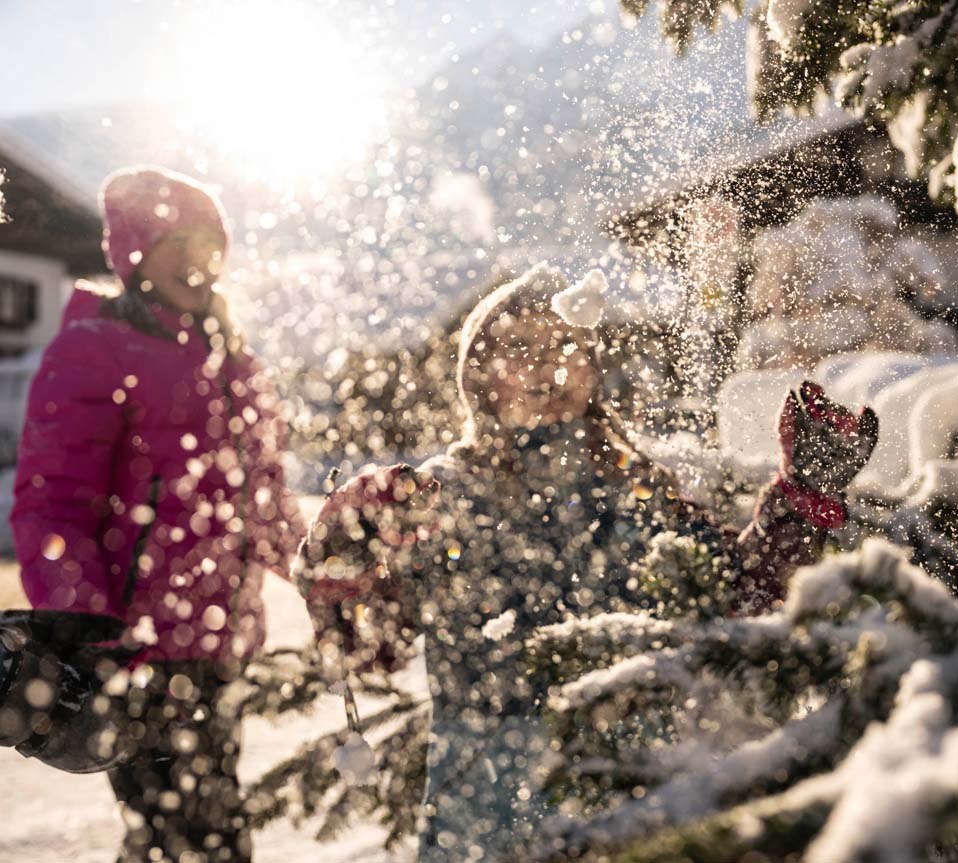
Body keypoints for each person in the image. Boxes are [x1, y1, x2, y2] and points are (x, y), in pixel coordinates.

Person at [296, 264, 878, 862]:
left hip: (634, 792)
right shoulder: (442, 496)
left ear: (593, 368)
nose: (549, 366)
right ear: (479, 378)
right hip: (490, 811)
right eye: (520, 347)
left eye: (567, 345)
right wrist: (350, 537)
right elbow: (368, 644)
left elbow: (733, 597)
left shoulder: (634, 490)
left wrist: (800, 501)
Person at [8, 166, 302, 863]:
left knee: (180, 829)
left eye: (210, 244)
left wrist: (323, 560)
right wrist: (88, 626)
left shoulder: (235, 361)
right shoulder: (95, 348)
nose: (198, 261)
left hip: (220, 643)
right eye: (179, 242)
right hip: (137, 648)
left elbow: (263, 500)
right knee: (201, 834)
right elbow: (53, 504)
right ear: (136, 253)